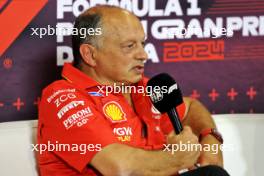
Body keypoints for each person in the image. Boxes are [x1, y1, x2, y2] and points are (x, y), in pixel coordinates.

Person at [37, 5, 230, 176]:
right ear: (90, 54)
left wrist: (210, 137)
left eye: (142, 44)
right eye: (129, 46)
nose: (143, 55)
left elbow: (190, 107)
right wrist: (180, 157)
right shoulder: (63, 97)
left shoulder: (143, 88)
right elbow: (120, 167)